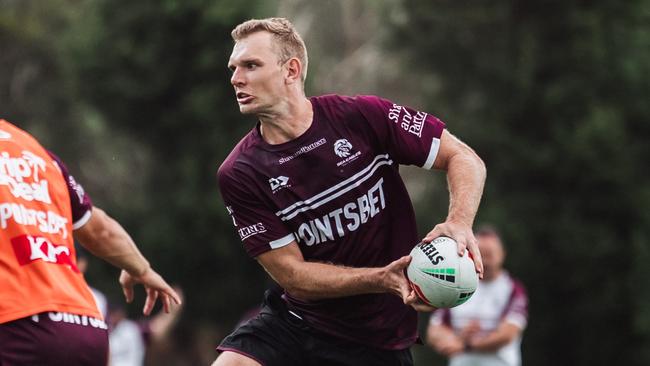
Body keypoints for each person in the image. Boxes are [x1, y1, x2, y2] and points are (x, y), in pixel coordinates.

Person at [214, 17, 486, 366]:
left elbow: (464, 157)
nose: (236, 78)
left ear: (291, 70)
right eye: (234, 67)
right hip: (297, 324)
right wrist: (383, 278)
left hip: (378, 340)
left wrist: (460, 223)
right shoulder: (240, 173)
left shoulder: (361, 116)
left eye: (251, 65)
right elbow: (294, 276)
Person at [0, 119, 181, 365]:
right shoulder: (35, 152)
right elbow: (99, 229)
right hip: (84, 329)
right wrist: (141, 268)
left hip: (16, 325)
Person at [427, 226, 528, 366]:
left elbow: (508, 333)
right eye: (481, 254)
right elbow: (434, 330)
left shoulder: (513, 289)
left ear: (502, 254)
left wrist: (466, 345)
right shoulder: (455, 285)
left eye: (490, 254)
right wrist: (453, 338)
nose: (485, 261)